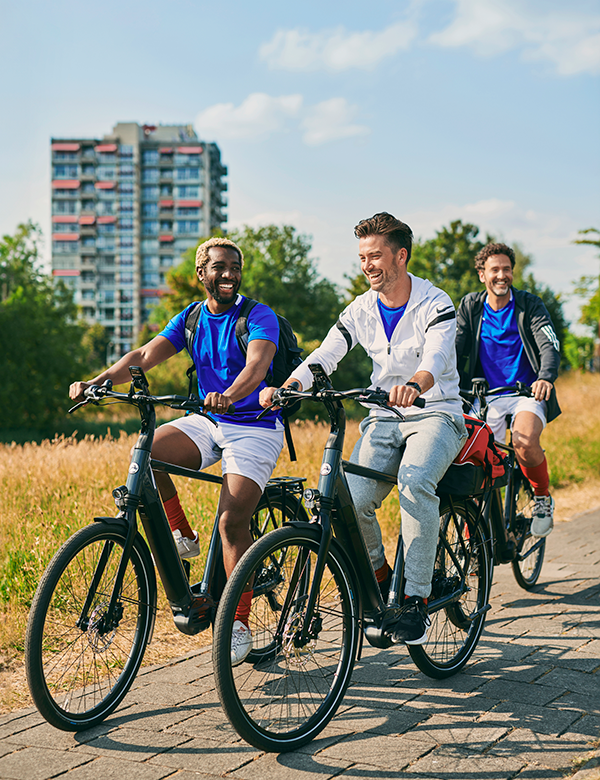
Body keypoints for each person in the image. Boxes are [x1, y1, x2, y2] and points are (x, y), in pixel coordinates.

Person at [70, 236, 284, 665]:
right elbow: (145, 354)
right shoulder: (191, 318)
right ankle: (182, 535)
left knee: (230, 523)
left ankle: (238, 623)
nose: (228, 275)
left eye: (234, 267)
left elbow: (257, 366)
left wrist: (231, 393)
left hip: (253, 426)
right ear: (201, 274)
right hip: (209, 419)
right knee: (148, 454)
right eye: (219, 267)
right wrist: (100, 381)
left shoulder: (258, 316)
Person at [260, 212, 466, 645]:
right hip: (383, 415)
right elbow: (327, 352)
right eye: (362, 257)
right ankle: (379, 575)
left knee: (414, 482)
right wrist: (291, 385)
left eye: (375, 256)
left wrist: (414, 385)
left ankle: (415, 599)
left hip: (436, 413)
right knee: (349, 498)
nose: (367, 265)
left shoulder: (436, 303)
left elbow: (436, 359)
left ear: (401, 256)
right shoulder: (361, 307)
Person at [456, 242, 561, 538]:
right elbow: (453, 348)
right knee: (471, 459)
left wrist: (545, 377)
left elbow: (548, 345)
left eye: (507, 269)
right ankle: (474, 531)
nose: (501, 275)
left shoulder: (529, 305)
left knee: (524, 442)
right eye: (494, 270)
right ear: (482, 275)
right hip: (484, 397)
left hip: (526, 393)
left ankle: (541, 497)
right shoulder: (471, 307)